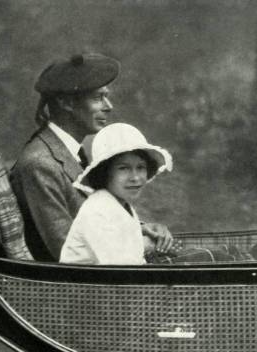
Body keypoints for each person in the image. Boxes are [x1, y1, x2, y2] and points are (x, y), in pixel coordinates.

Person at [10, 53, 173, 261]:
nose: (109, 106)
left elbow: (90, 220)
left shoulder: (69, 151)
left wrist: (141, 228)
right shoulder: (40, 164)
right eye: (98, 98)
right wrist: (142, 244)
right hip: (78, 287)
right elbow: (69, 252)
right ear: (66, 103)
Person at [60, 123, 172, 265]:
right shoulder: (97, 210)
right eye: (123, 168)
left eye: (141, 167)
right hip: (82, 285)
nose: (135, 177)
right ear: (105, 172)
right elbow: (120, 269)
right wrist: (146, 245)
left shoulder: (119, 204)